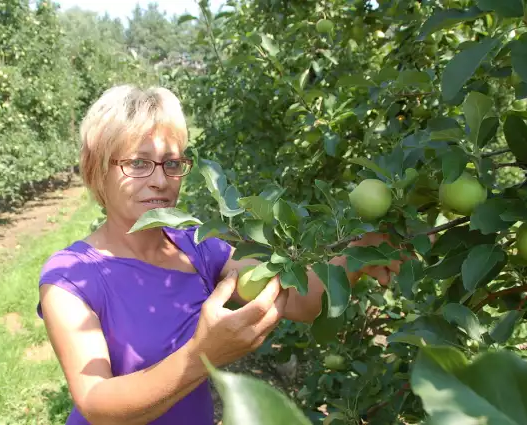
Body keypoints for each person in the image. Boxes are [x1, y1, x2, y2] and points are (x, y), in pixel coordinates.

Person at [36, 84, 403, 425]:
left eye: (172, 163)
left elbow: (298, 299)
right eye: (137, 163)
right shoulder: (71, 277)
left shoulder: (199, 247)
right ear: (96, 168)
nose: (161, 180)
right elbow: (96, 402)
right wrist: (200, 355)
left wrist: (361, 251)